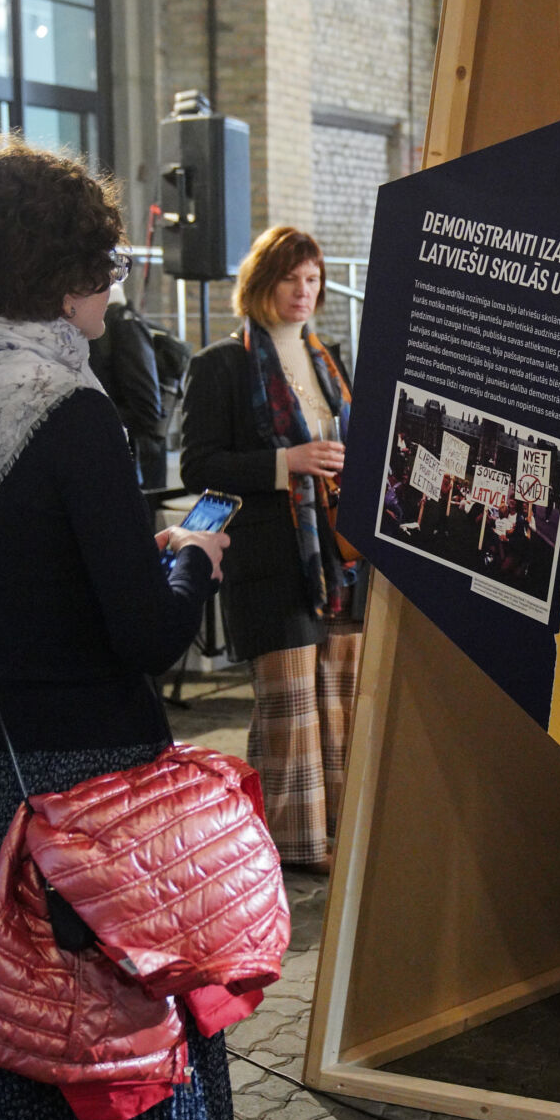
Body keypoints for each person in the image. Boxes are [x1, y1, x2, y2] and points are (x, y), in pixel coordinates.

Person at [0, 137, 235, 1120]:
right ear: (70, 275)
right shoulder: (73, 411)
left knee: (18, 1067)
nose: (111, 289)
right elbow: (146, 634)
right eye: (108, 265)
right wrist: (195, 563)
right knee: (127, 1079)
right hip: (99, 791)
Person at [182, 225, 358, 873]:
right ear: (261, 283)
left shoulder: (329, 356)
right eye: (291, 278)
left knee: (340, 699)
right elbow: (200, 461)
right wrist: (285, 462)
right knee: (289, 708)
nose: (304, 291)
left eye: (312, 279)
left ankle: (342, 831)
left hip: (336, 557)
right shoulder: (220, 363)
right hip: (268, 558)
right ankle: (292, 843)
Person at [86, 281, 166, 488]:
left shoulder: (123, 323)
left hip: (134, 460)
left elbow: (147, 406)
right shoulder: (102, 326)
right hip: (115, 456)